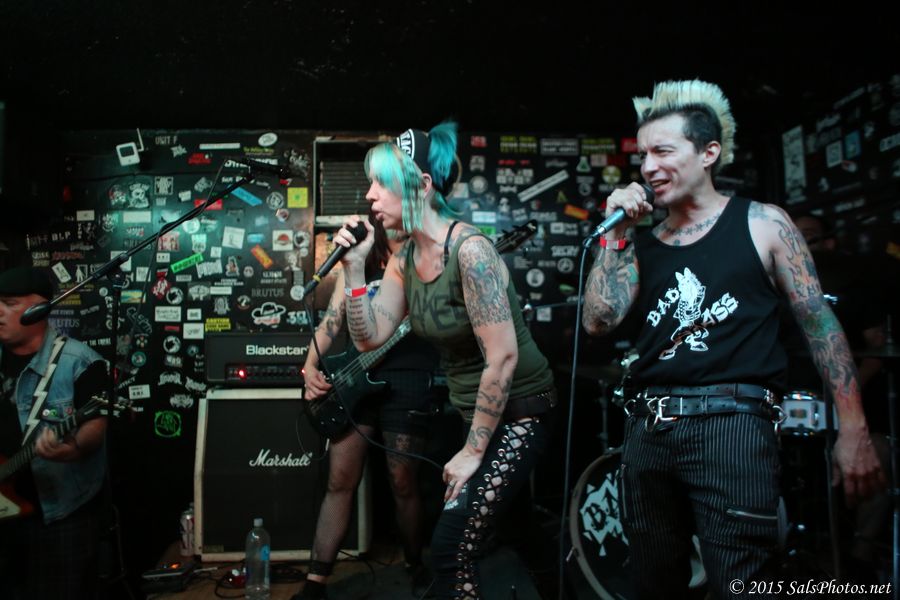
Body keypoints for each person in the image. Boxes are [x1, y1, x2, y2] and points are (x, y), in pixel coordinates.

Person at [581, 80, 886, 599]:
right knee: (652, 583)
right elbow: (598, 321)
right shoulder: (640, 244)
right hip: (649, 429)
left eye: (662, 152)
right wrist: (617, 234)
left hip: (733, 427)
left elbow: (820, 325)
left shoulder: (764, 224)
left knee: (742, 583)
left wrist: (853, 428)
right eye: (643, 156)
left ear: (708, 153)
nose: (648, 167)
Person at [331, 121, 556, 600]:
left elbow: (503, 358)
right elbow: (369, 338)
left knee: (452, 547)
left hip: (522, 412)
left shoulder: (470, 251)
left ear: (422, 185)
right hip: (477, 414)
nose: (369, 195)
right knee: (520, 532)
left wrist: (473, 452)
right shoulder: (404, 259)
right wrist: (353, 270)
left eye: (381, 183)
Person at [297, 217, 440, 599]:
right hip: (354, 378)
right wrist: (309, 366)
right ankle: (315, 583)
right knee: (340, 480)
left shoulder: (425, 257)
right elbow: (332, 322)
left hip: (408, 377)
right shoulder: (359, 259)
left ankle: (415, 563)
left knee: (403, 481)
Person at [0, 265, 108, 600]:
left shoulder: (80, 361)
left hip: (58, 514)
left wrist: (70, 449)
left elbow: (94, 428)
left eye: (9, 304)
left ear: (38, 309)